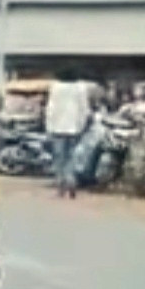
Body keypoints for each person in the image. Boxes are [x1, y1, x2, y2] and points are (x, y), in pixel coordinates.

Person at [45, 68, 91, 197]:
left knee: (60, 158)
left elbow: (51, 108)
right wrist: (82, 126)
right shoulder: (81, 88)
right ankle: (71, 181)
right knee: (72, 157)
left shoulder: (55, 87)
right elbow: (85, 109)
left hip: (58, 127)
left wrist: (48, 126)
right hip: (74, 128)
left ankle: (61, 186)